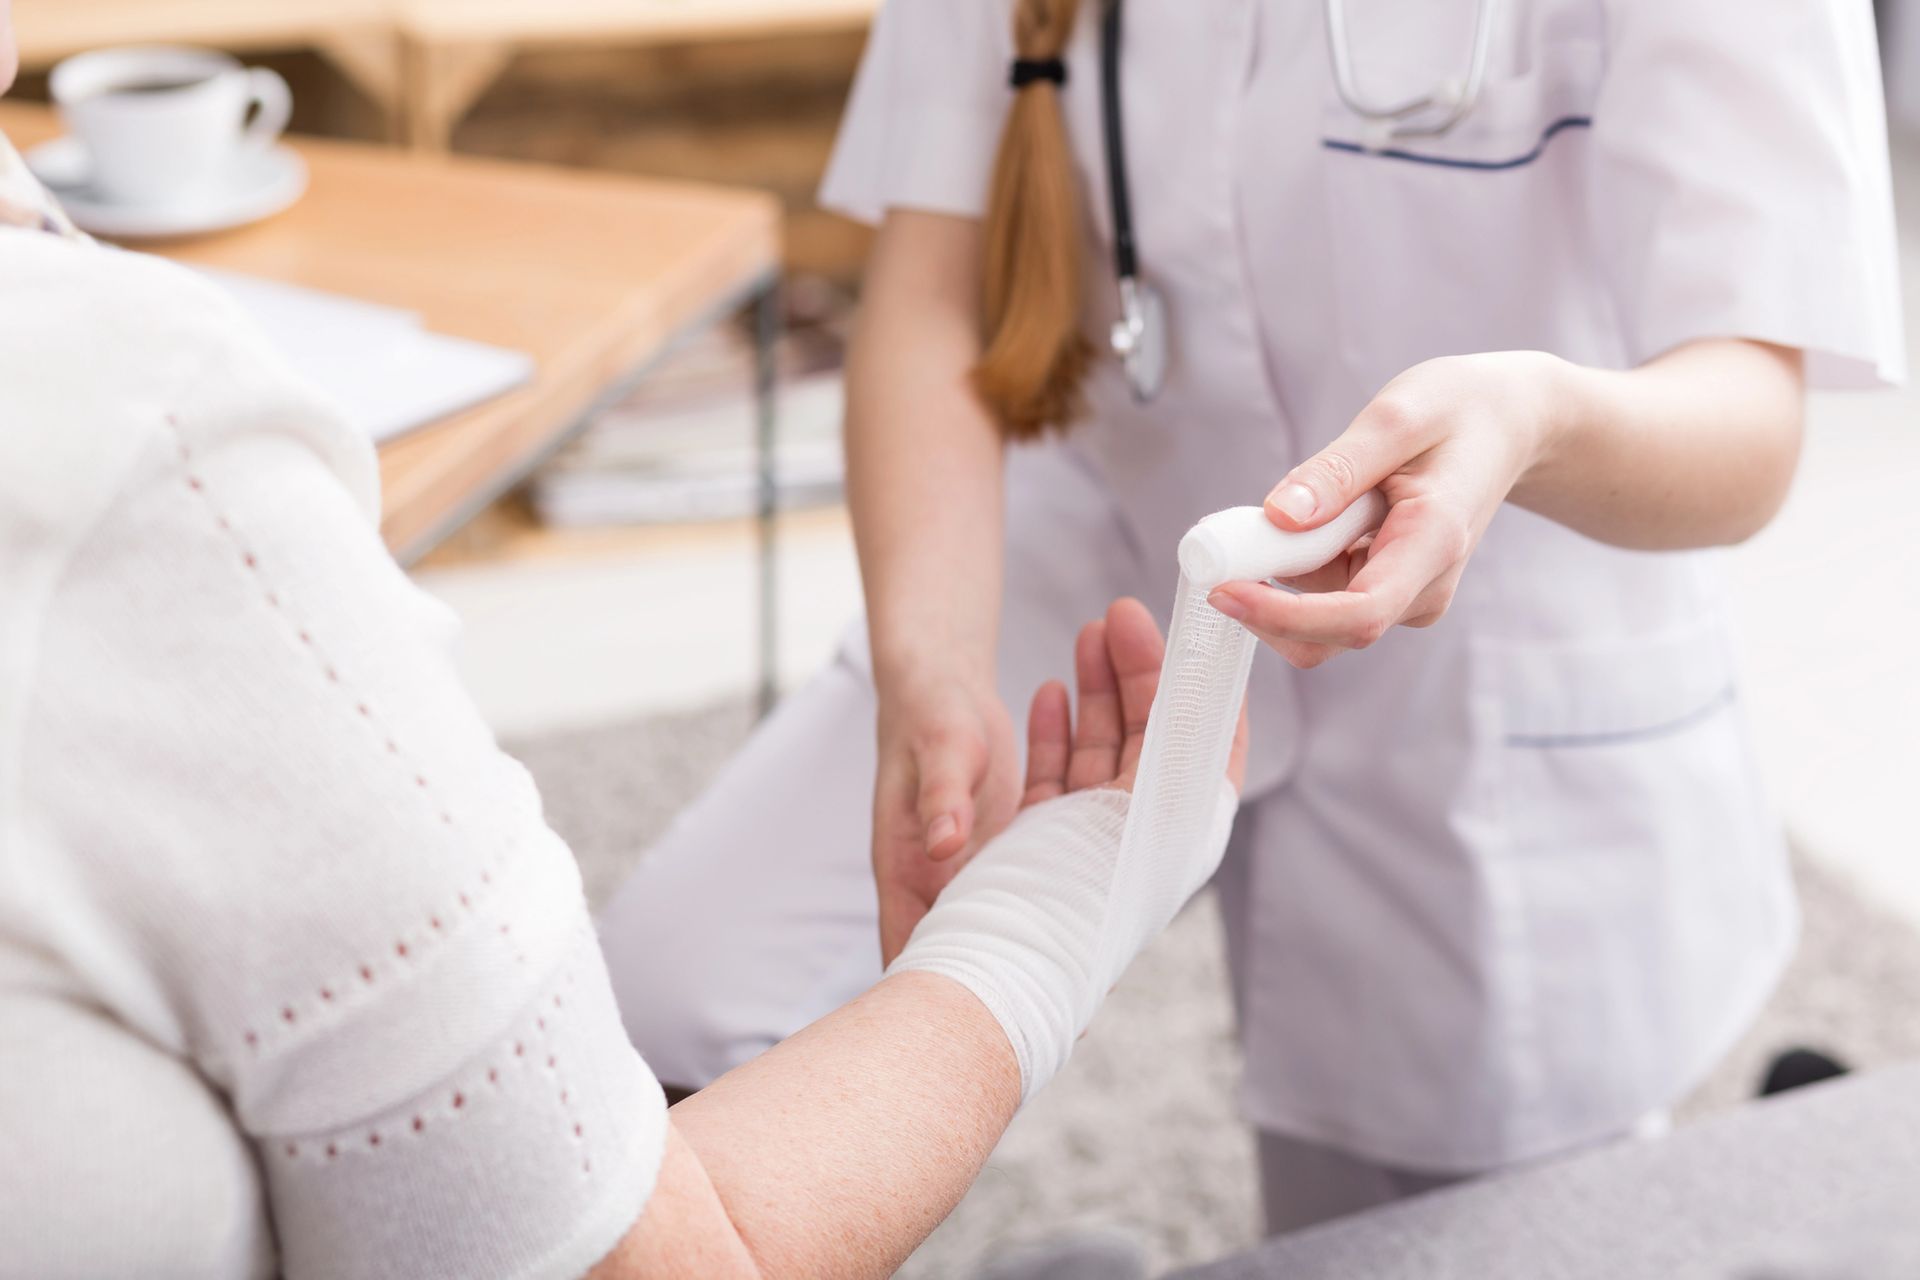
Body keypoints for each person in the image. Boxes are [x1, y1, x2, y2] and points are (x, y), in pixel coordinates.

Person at [598, 0, 1905, 1234]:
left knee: (1409, 1226)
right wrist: (926, 662)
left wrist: (1535, 421)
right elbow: (935, 290)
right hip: (1110, 541)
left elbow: (1752, 420)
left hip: (1485, 626)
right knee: (656, 1027)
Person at [0, 22, 1248, 1276]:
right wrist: (1042, 927)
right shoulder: (153, 444)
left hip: (1392, 620)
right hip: (1087, 568)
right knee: (674, 1003)